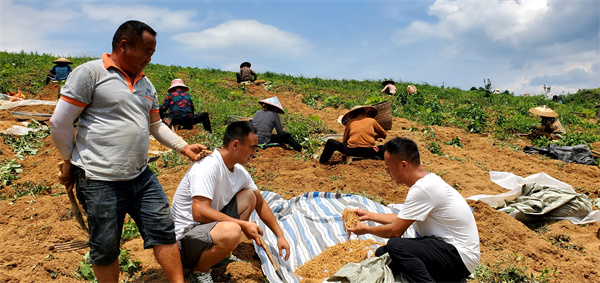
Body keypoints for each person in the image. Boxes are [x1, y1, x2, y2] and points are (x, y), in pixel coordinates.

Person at [49, 20, 210, 283]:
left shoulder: (147, 85)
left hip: (141, 176)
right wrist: (68, 161)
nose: (150, 57)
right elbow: (60, 122)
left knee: (163, 231)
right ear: (124, 45)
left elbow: (156, 125)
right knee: (105, 246)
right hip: (99, 179)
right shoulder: (90, 74)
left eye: (153, 52)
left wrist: (183, 146)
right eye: (147, 50)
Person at [170, 121, 291, 283]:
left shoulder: (239, 171)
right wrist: (243, 225)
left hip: (208, 231)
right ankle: (199, 271)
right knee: (233, 230)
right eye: (252, 147)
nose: (255, 152)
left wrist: (280, 236)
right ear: (235, 145)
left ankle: (220, 254)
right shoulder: (208, 167)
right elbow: (198, 212)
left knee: (249, 197)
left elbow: (260, 203)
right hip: (185, 242)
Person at [347, 137, 480, 282]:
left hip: (460, 256)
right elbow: (402, 217)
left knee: (395, 246)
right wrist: (369, 215)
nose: (387, 172)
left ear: (404, 165)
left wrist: (366, 230)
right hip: (449, 251)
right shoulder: (427, 182)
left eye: (389, 167)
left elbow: (396, 231)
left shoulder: (423, 189)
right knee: (382, 252)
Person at [319, 105, 387, 164]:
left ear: (353, 114)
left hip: (352, 151)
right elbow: (384, 134)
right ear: (365, 111)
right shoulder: (372, 121)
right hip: (370, 151)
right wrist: (375, 136)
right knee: (384, 147)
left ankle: (322, 161)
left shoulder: (350, 123)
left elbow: (345, 140)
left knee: (331, 142)